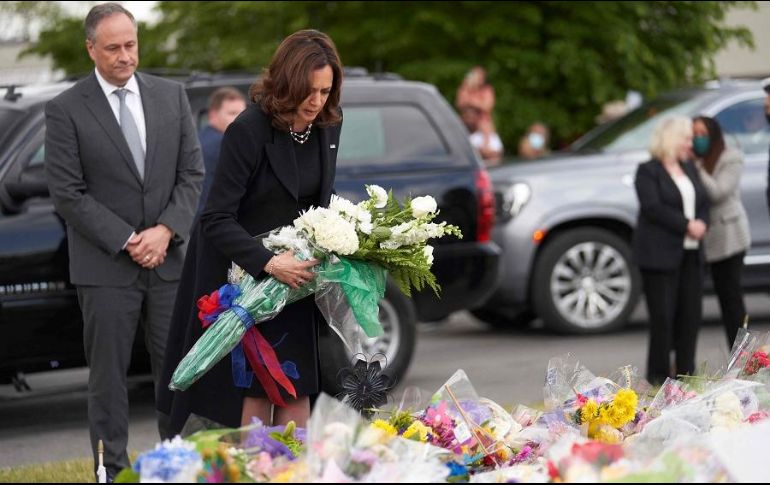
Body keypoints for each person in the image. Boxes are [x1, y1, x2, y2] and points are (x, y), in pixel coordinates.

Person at [43, 3, 204, 479]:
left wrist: (165, 230)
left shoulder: (171, 97)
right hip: (105, 268)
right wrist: (130, 239)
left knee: (178, 369)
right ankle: (110, 469)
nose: (124, 56)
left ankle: (180, 463)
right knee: (108, 380)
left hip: (168, 261)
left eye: (130, 44)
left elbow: (192, 173)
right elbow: (67, 193)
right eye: (112, 48)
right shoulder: (66, 109)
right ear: (91, 48)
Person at [158, 29, 343, 436]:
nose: (317, 102)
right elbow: (216, 217)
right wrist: (270, 263)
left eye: (326, 91)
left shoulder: (328, 124)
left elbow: (317, 202)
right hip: (246, 280)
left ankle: (294, 474)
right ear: (286, 83)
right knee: (256, 389)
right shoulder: (249, 129)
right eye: (308, 91)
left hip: (299, 282)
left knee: (297, 387)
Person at [632, 115, 709, 385]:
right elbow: (653, 208)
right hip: (659, 256)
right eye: (687, 138)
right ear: (672, 139)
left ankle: (687, 375)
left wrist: (702, 223)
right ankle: (659, 378)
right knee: (663, 319)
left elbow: (703, 202)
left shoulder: (689, 168)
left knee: (690, 316)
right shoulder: (648, 171)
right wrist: (688, 225)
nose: (691, 143)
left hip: (691, 254)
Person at [692, 116, 750, 349]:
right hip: (703, 239)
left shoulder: (730, 157)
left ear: (714, 135)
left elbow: (719, 192)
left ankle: (741, 357)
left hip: (729, 237)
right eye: (694, 135)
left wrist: (696, 168)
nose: (698, 140)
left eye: (703, 134)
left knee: (731, 298)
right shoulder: (694, 160)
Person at [197, 87, 247, 214]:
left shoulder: (199, 138)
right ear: (213, 115)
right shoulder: (222, 144)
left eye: (243, 113)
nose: (240, 118)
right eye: (232, 113)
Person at [455, 66, 496, 132]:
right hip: (465, 123)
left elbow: (487, 107)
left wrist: (472, 102)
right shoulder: (465, 88)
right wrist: (467, 86)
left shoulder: (487, 90)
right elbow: (460, 103)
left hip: (482, 125)